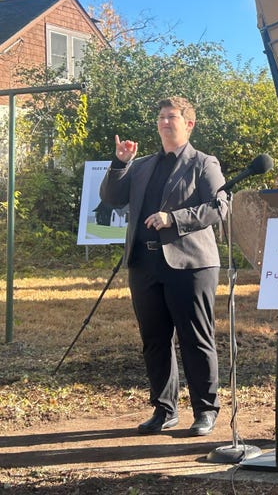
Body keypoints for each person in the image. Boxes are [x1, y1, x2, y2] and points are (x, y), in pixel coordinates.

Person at [100, 96, 227, 437]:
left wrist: (174, 218)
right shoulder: (141, 165)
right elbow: (113, 197)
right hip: (145, 263)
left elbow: (219, 207)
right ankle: (164, 409)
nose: (164, 122)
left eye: (171, 117)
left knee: (195, 338)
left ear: (189, 124)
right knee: (154, 339)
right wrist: (120, 162)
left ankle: (205, 410)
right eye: (160, 117)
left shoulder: (203, 163)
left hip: (190, 264)